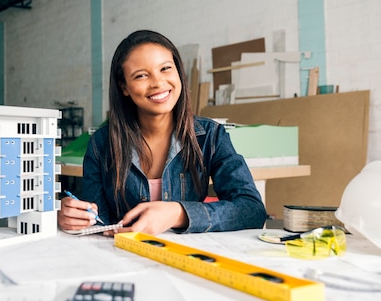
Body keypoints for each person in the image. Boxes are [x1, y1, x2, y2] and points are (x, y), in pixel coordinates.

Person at [58, 30, 267, 235]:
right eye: (141, 75)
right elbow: (97, 219)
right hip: (124, 257)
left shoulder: (210, 136)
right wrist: (72, 216)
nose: (158, 83)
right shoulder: (102, 143)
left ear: (179, 72)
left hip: (188, 258)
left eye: (165, 69)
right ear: (124, 86)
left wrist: (177, 213)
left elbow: (252, 210)